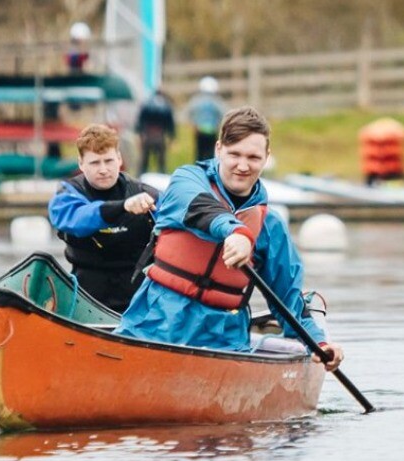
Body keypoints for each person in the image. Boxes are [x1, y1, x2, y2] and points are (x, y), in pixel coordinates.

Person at [119, 107, 344, 370]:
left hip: (223, 339)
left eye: (253, 157)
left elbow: (288, 301)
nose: (243, 165)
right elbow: (200, 209)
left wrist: (320, 343)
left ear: (266, 158)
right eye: (234, 154)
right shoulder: (186, 181)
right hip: (153, 324)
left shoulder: (271, 226)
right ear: (218, 150)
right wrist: (237, 233)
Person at [47, 124, 159, 311]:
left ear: (119, 159)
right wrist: (123, 207)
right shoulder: (66, 195)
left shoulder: (145, 193)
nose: (103, 169)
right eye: (95, 163)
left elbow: (181, 218)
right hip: (87, 296)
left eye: (108, 161)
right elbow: (78, 219)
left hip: (139, 297)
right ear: (81, 164)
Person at [135, 90, 177, 174]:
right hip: (160, 135)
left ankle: (140, 176)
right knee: (161, 162)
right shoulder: (166, 105)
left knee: (144, 161)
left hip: (148, 135)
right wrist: (172, 137)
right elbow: (170, 123)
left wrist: (139, 134)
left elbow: (140, 120)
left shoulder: (146, 104)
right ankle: (162, 176)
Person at [186, 77, 226, 162]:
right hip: (212, 131)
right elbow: (223, 114)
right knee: (210, 154)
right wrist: (219, 125)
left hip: (199, 131)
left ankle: (199, 171)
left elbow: (189, 113)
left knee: (199, 154)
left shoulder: (196, 100)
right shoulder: (217, 101)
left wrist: (193, 124)